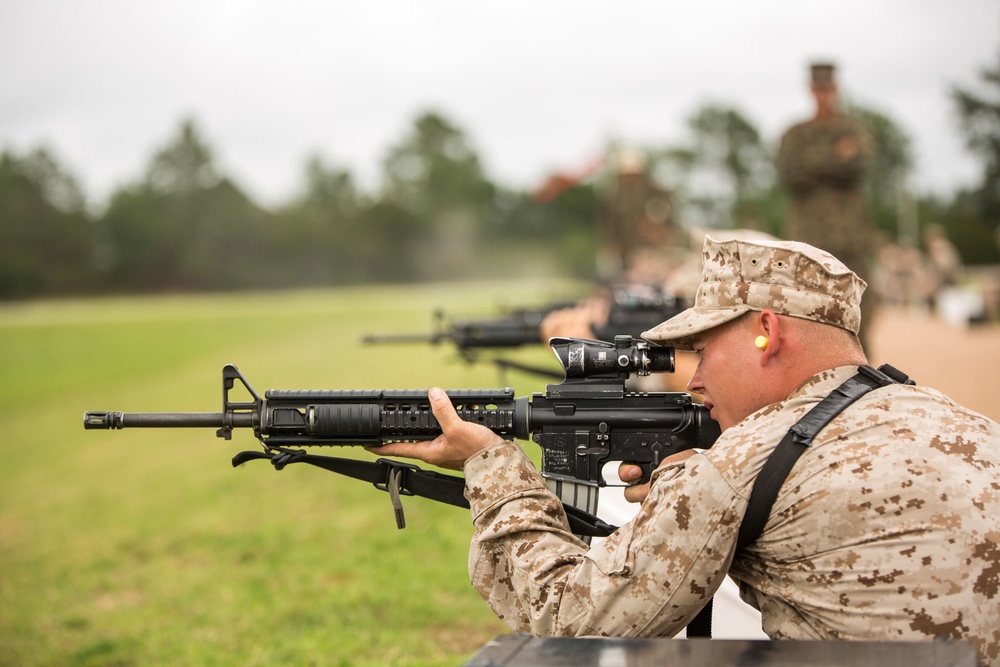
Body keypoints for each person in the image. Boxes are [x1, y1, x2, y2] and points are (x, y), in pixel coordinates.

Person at [371, 235, 1000, 665]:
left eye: (703, 351)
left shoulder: (734, 465)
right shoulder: (961, 422)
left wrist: (490, 466)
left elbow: (570, 622)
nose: (692, 379)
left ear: (765, 331)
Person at [776, 62, 878, 350]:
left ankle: (860, 370)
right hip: (809, 239)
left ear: (835, 88)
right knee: (806, 310)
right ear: (811, 89)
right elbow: (789, 174)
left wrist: (813, 162)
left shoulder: (852, 129)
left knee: (859, 310)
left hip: (851, 237)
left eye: (827, 88)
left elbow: (858, 166)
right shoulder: (795, 134)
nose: (823, 94)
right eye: (818, 88)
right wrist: (834, 157)